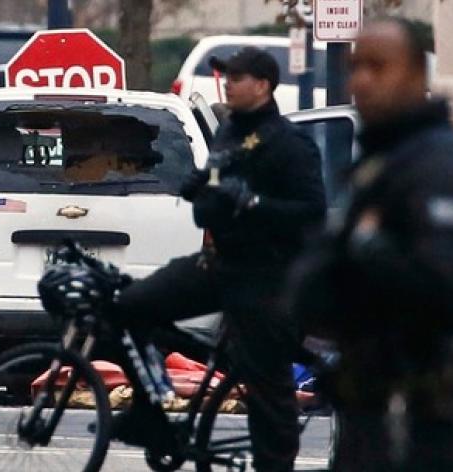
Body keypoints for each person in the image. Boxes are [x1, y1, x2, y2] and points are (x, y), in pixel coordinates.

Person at [288, 18, 453, 472]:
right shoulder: (380, 163)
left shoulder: (442, 166)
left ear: (416, 77)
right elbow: (313, 284)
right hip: (371, 409)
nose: (362, 80)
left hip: (428, 418)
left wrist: (367, 247)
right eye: (356, 67)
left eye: (379, 66)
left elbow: (449, 290)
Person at [108, 46, 326, 471]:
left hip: (266, 278)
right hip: (218, 264)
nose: (227, 83)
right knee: (130, 306)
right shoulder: (227, 132)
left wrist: (253, 203)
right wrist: (201, 190)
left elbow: (311, 211)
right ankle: (151, 413)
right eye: (226, 76)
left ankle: (274, 464)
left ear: (262, 85)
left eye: (237, 77)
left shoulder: (289, 143)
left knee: (267, 384)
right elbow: (208, 201)